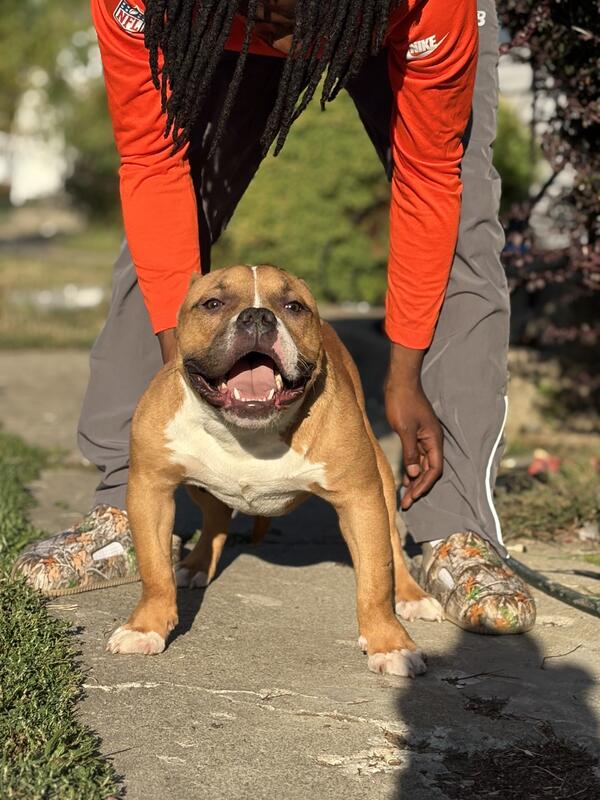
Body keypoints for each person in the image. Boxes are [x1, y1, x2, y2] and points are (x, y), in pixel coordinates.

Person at [14, 0, 535, 633]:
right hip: (204, 24)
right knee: (170, 220)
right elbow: (152, 163)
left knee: (462, 225)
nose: (281, 38)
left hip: (392, 27)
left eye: (294, 18)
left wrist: (404, 376)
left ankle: (455, 526)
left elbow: (429, 180)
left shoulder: (432, 7)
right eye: (267, 12)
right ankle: (125, 510)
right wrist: (181, 364)